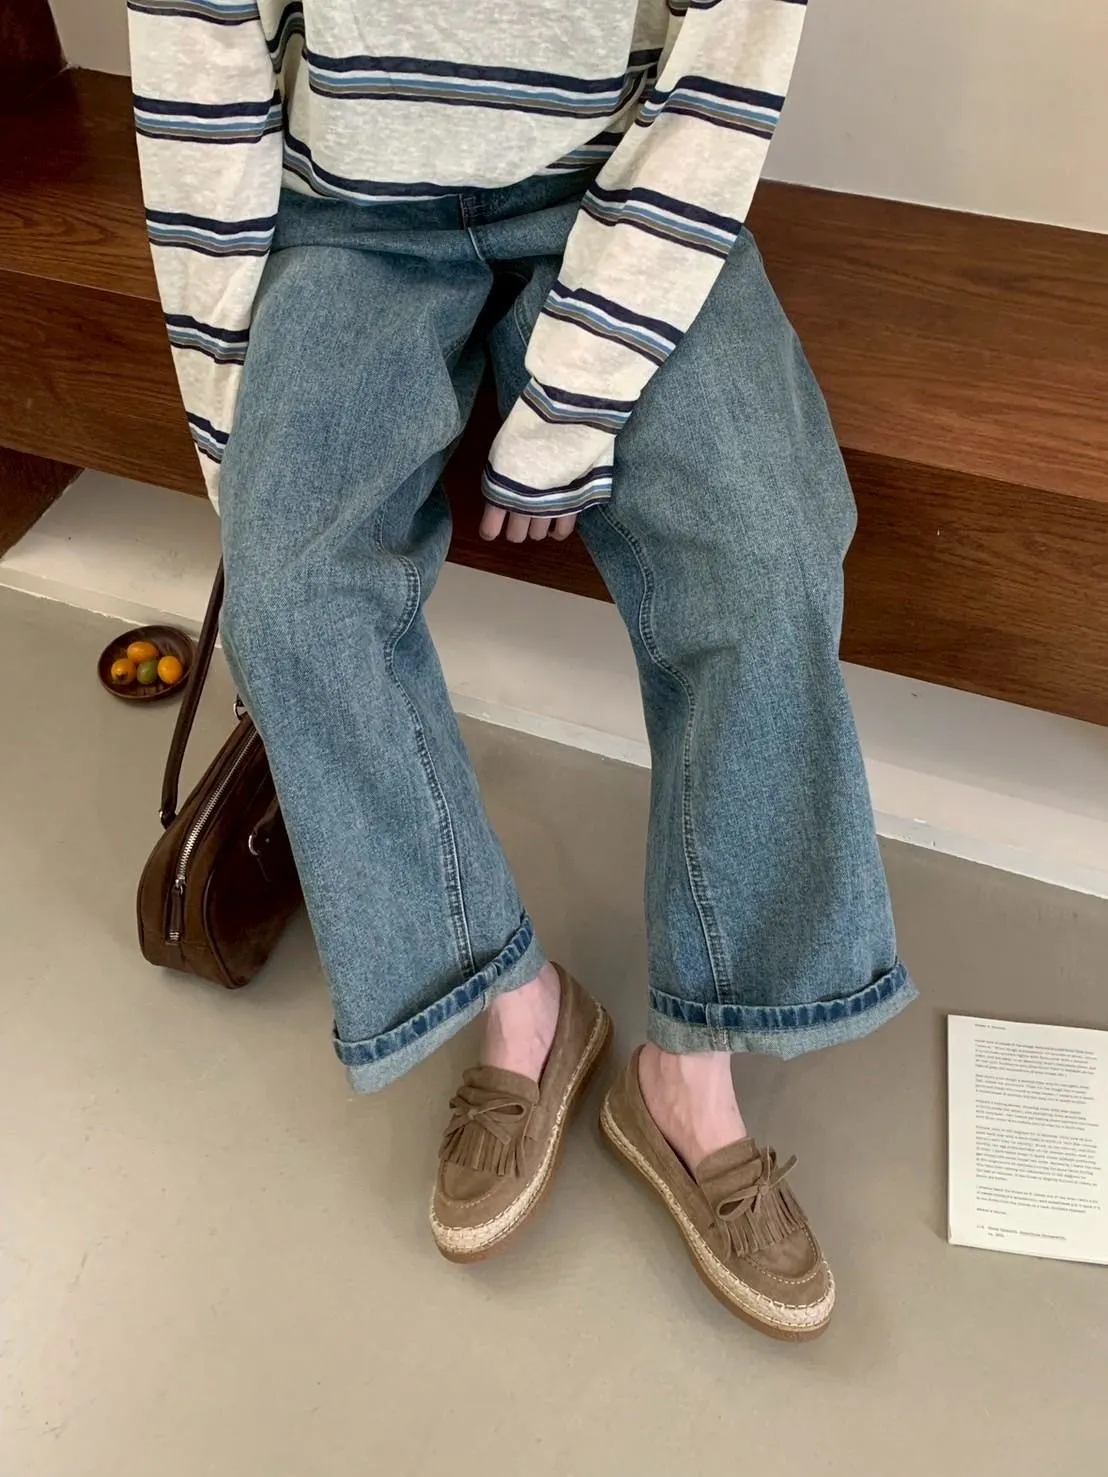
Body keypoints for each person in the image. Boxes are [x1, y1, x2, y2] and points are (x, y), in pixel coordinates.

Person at [128, 0, 916, 1339]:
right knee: (291, 594)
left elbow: (722, 75)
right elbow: (197, 68)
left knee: (767, 555)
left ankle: (694, 1068)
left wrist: (570, 408)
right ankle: (519, 1003)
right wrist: (237, 440)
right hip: (344, 213)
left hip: (622, 183)